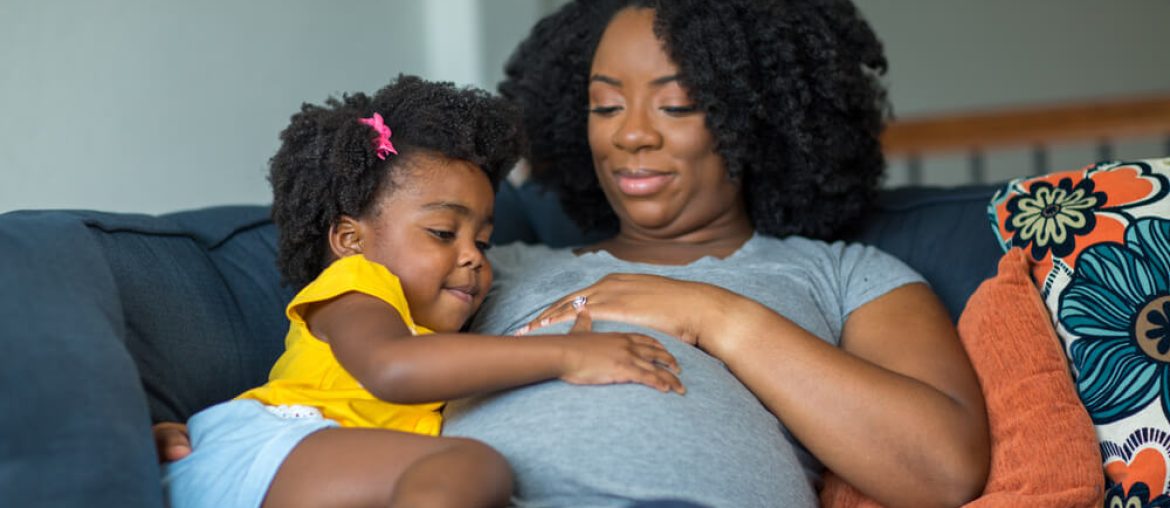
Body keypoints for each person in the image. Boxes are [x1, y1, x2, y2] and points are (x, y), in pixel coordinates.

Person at [159, 1, 991, 506]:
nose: (630, 133)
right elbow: (353, 369)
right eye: (603, 105)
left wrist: (714, 315)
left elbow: (942, 471)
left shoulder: (844, 275)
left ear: (756, 116)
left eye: (679, 105)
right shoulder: (482, 265)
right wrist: (219, 438)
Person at [159, 75, 684, 508]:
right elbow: (394, 367)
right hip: (269, 444)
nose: (474, 256)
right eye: (442, 233)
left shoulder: (433, 332)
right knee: (466, 465)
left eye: (483, 239)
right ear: (350, 240)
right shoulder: (357, 286)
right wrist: (566, 354)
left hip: (302, 465)